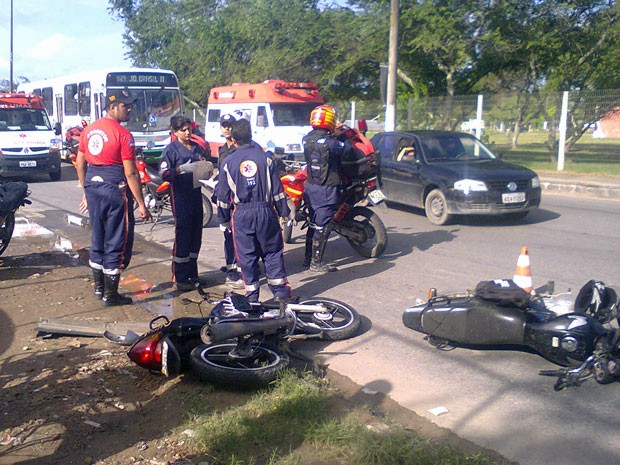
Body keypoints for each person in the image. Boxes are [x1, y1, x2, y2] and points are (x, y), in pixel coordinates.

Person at [76, 90, 152, 307]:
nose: (129, 109)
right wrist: (141, 204)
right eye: (125, 106)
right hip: (114, 189)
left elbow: (80, 163)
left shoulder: (89, 131)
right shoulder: (123, 134)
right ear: (112, 107)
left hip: (93, 186)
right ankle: (111, 296)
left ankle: (100, 290)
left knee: (97, 238)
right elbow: (130, 173)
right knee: (116, 241)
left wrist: (85, 189)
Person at [216, 118, 292, 303]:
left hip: (242, 215)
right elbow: (277, 192)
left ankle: (252, 298)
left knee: (247, 256)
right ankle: (280, 294)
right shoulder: (266, 159)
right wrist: (284, 213)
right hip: (266, 212)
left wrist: (223, 219)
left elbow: (223, 197)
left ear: (233, 140)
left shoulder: (228, 162)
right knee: (272, 252)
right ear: (251, 137)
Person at [159, 116, 215, 291]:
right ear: (175, 132)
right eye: (182, 130)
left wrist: (207, 170)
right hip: (181, 196)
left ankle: (193, 274)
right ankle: (180, 277)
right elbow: (164, 173)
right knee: (183, 236)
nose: (187, 132)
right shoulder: (171, 150)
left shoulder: (197, 148)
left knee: (195, 236)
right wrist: (180, 169)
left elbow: (205, 167)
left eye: (188, 129)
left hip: (196, 194)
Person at [301, 104, 346, 273]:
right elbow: (347, 151)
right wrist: (342, 136)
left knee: (312, 223)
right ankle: (316, 263)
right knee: (323, 226)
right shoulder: (333, 143)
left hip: (311, 187)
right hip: (326, 190)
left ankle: (307, 258)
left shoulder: (306, 139)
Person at [215, 113, 244, 289]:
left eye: (229, 125)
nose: (226, 128)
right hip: (225, 197)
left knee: (240, 237)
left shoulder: (239, 148)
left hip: (239, 200)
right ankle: (232, 269)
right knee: (228, 236)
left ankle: (241, 270)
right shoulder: (222, 149)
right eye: (224, 125)